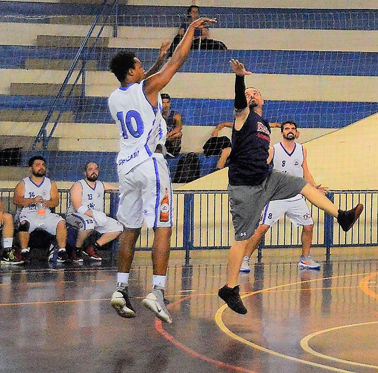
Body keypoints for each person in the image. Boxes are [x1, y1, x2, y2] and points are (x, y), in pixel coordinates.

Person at [217, 59, 363, 315]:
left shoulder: (264, 125)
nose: (251, 95)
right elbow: (240, 101)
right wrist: (240, 78)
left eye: (255, 93)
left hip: (267, 178)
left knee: (304, 186)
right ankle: (230, 288)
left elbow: (262, 151)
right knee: (243, 238)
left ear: (263, 101)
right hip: (245, 187)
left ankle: (342, 216)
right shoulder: (243, 116)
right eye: (248, 93)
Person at [107, 21, 207, 323]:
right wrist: (189, 31)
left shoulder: (114, 97)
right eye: (139, 66)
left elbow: (144, 80)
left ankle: (121, 288)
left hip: (125, 168)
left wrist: (157, 60)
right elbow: (178, 61)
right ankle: (157, 291)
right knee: (163, 227)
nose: (143, 69)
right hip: (151, 164)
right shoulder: (146, 90)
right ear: (132, 71)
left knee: (130, 229)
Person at [240, 120, 326, 273]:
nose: (290, 130)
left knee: (309, 226)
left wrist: (314, 188)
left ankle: (305, 258)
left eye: (293, 128)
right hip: (277, 195)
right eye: (287, 128)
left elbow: (305, 171)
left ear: (297, 132)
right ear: (282, 132)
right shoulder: (274, 150)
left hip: (296, 195)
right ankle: (245, 259)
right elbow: (261, 168)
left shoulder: (302, 149)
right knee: (262, 228)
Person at [12, 156, 70, 263]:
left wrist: (48, 203)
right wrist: (33, 200)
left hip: (45, 214)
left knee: (61, 222)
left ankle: (62, 251)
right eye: (38, 165)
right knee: (24, 223)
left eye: (43, 165)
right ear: (30, 169)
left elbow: (56, 202)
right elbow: (16, 200)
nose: (41, 167)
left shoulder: (50, 183)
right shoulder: (23, 183)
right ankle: (24, 252)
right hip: (29, 213)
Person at [65, 161, 124, 262]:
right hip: (76, 215)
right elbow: (77, 207)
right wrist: (94, 214)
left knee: (118, 227)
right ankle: (77, 250)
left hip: (95, 216)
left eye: (96, 169)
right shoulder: (78, 185)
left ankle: (93, 247)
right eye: (90, 169)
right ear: (85, 172)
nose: (94, 172)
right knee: (88, 223)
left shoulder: (101, 184)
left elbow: (119, 189)